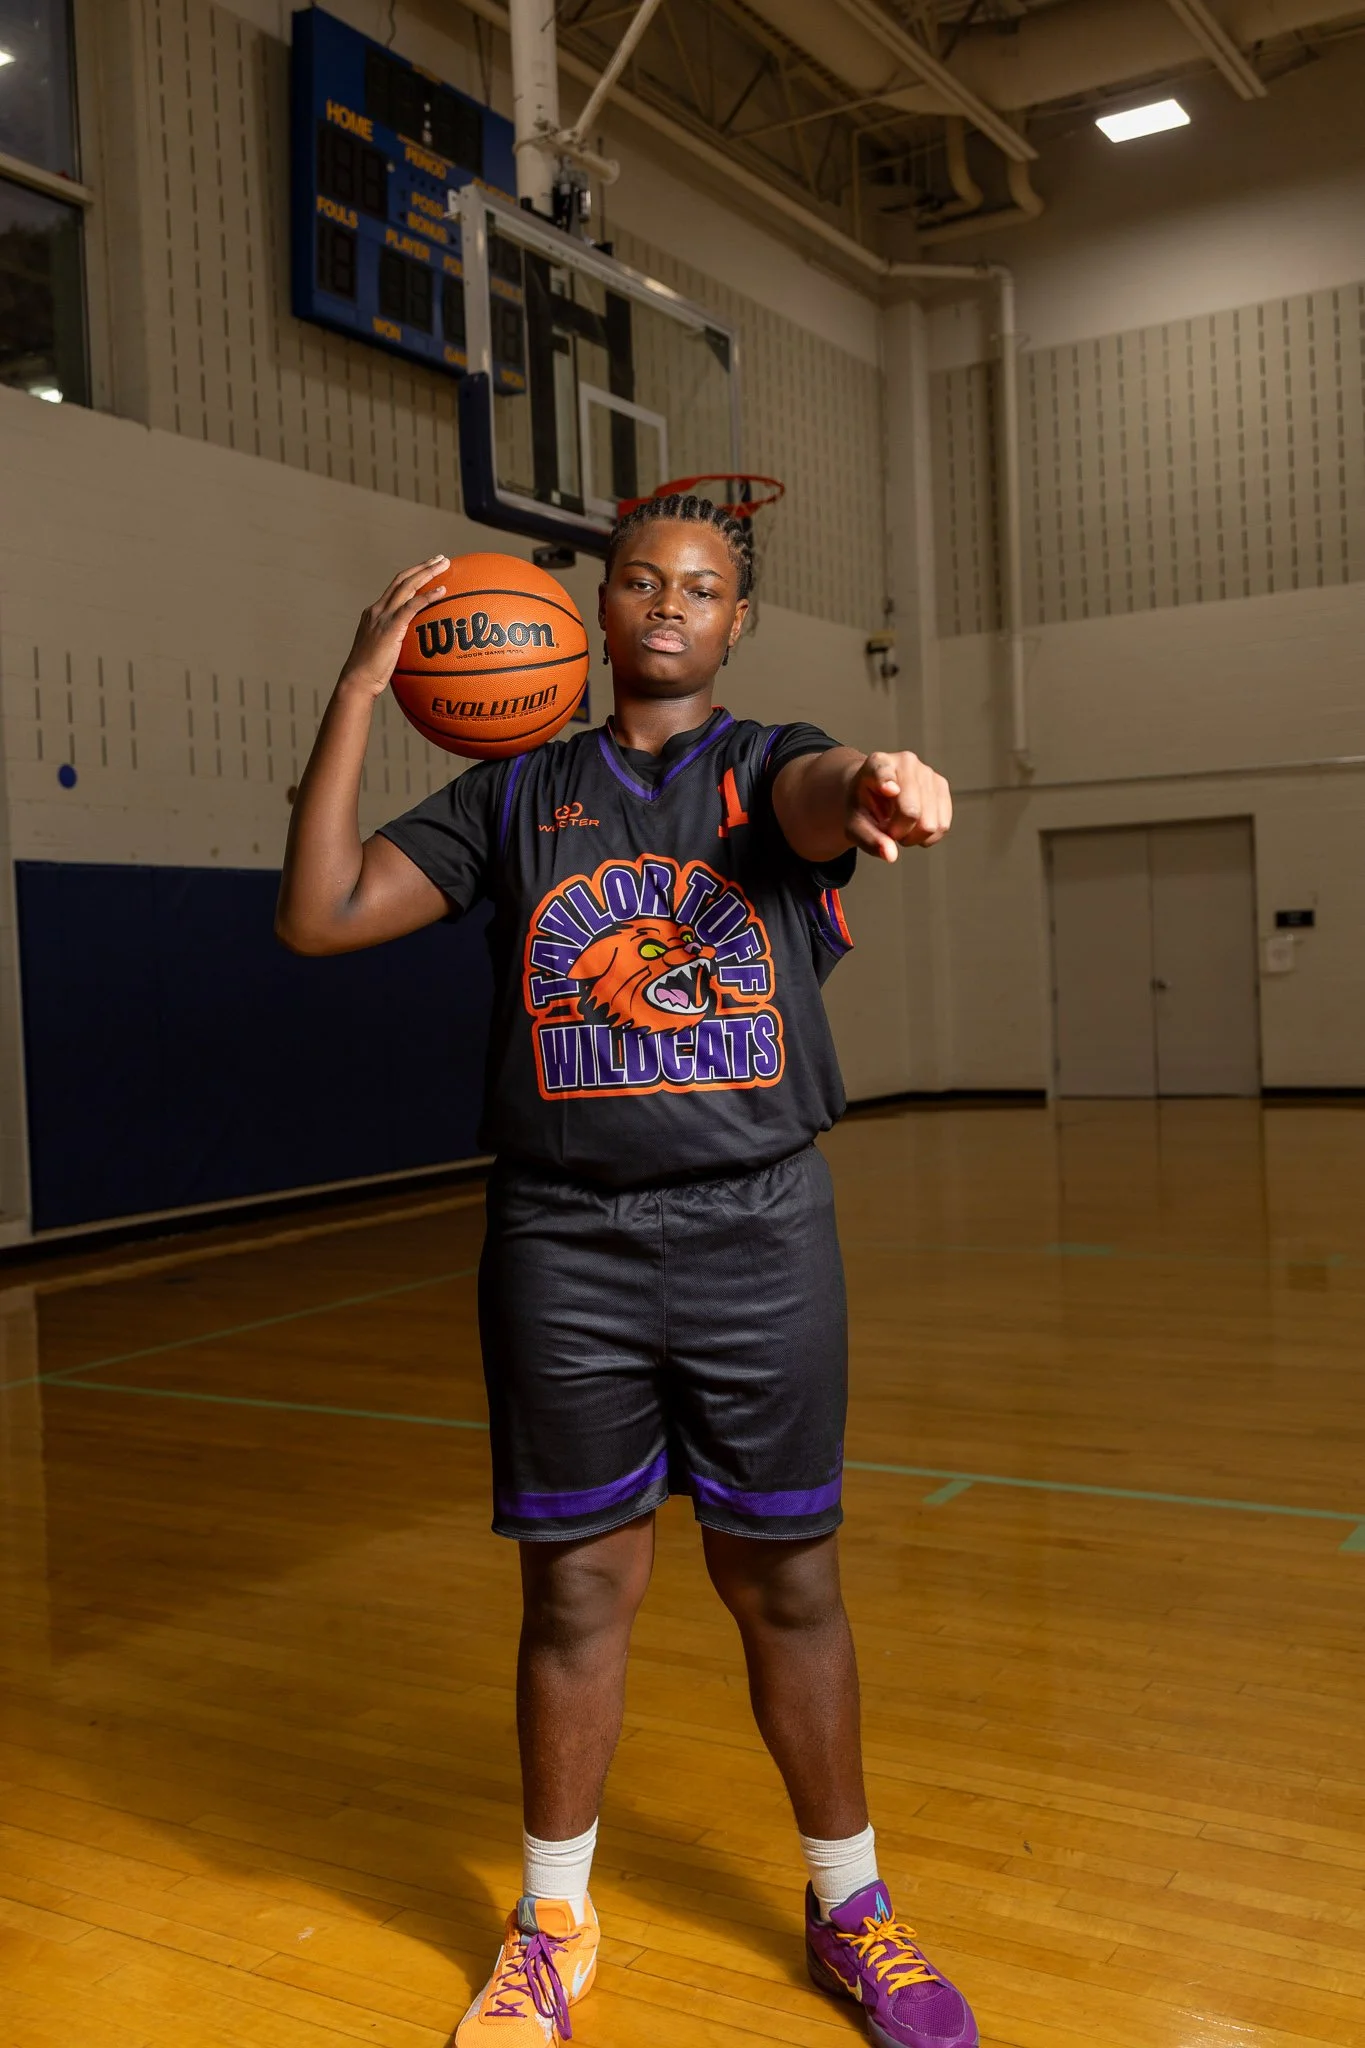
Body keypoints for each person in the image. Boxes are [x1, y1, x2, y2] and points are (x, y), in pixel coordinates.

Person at [276, 495, 976, 2048]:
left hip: (758, 1228)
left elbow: (813, 793)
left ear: (737, 625)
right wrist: (358, 690)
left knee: (784, 1577)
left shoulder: (759, 765)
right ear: (592, 610)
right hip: (563, 1239)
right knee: (578, 1586)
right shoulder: (512, 790)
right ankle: (552, 1921)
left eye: (704, 588)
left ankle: (850, 1904)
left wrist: (878, 776)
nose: (671, 602)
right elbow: (316, 914)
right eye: (643, 581)